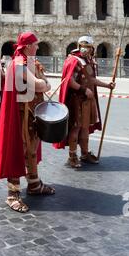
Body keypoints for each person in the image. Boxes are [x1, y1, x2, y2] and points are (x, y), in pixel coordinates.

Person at [0, 32, 55, 213]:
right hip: (20, 116)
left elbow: (42, 82)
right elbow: (40, 84)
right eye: (35, 44)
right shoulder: (19, 64)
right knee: (17, 151)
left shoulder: (30, 62)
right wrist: (44, 83)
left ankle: (34, 184)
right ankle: (13, 193)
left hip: (32, 114)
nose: (37, 47)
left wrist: (44, 82)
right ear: (27, 46)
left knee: (32, 150)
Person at [54, 35, 115, 168]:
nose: (85, 50)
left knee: (85, 128)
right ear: (79, 46)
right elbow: (69, 81)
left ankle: (84, 153)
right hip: (76, 100)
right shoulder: (74, 61)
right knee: (76, 127)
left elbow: (91, 79)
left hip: (87, 101)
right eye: (83, 47)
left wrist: (107, 85)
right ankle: (72, 156)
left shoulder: (87, 60)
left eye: (88, 47)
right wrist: (83, 90)